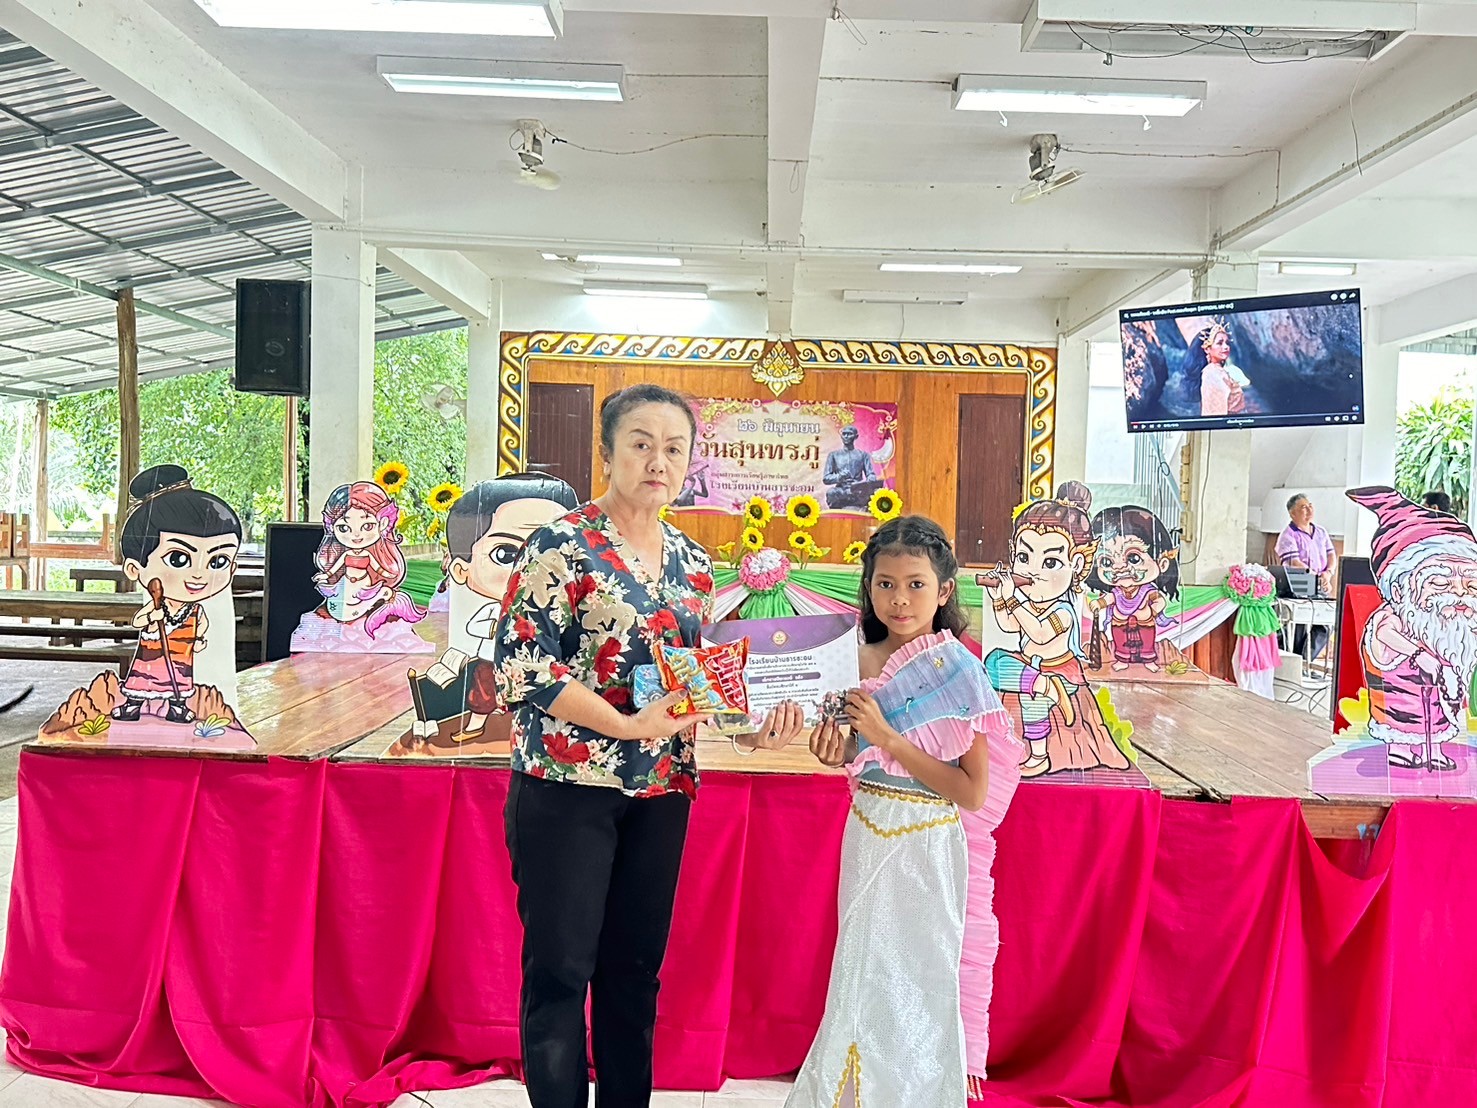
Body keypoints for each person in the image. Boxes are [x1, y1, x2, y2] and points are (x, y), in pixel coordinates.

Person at [494, 383, 805, 1108]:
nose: (657, 461)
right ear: (607, 452)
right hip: (566, 788)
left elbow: (698, 684)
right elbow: (523, 664)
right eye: (640, 443)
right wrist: (627, 725)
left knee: (634, 974)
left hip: (662, 789)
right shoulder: (560, 544)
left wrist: (752, 729)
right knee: (561, 973)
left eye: (673, 448)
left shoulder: (694, 564)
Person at [783, 516, 1021, 1108]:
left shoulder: (959, 671)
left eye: (916, 584)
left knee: (919, 981)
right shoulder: (851, 661)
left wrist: (888, 737)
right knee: (859, 973)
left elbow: (970, 792)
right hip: (867, 832)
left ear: (944, 591)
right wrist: (832, 748)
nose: (900, 599)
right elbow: (849, 753)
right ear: (868, 589)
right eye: (885, 584)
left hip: (929, 847)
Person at [409, 474, 579, 744]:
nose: (530, 566)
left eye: (552, 550)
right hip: (493, 660)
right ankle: (477, 723)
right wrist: (502, 628)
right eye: (506, 554)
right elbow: (475, 626)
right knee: (483, 693)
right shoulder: (494, 611)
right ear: (461, 570)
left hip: (552, 675)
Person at [982, 482, 1131, 778]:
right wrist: (1000, 598)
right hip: (1032, 669)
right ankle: (1041, 684)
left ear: (1076, 564)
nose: (1033, 570)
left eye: (1050, 562)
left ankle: (1039, 755)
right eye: (1024, 558)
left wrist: (1013, 599)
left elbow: (1038, 633)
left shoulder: (1063, 612)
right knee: (993, 662)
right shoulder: (1029, 603)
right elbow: (1010, 625)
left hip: (1060, 670)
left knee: (1032, 702)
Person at [1348, 487, 1477, 771]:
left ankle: (1434, 749)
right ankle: (1401, 748)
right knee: (1404, 721)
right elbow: (1384, 634)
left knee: (1439, 718)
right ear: (1399, 588)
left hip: (1440, 701)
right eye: (1440, 583)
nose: (1458, 593)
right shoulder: (1396, 617)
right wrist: (1420, 656)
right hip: (1400, 703)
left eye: (1470, 584)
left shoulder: (1459, 623)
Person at [113, 465, 242, 724]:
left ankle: (177, 708)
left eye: (218, 561)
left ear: (232, 568)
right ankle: (134, 705)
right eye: (178, 558)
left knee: (180, 683)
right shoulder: (156, 604)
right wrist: (152, 617)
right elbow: (139, 620)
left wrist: (200, 639)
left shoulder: (197, 610)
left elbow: (201, 626)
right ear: (134, 568)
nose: (199, 575)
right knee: (143, 682)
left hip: (182, 656)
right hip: (152, 655)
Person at [311, 480, 426, 637]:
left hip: (365, 585)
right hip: (345, 586)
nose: (356, 535)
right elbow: (334, 568)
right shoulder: (344, 555)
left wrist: (387, 574)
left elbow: (378, 568)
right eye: (343, 528)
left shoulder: (370, 555)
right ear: (332, 528)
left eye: (367, 526)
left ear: (383, 523)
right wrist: (326, 575)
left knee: (364, 604)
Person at [1086, 504, 1180, 672]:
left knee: (1147, 642)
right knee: (1120, 641)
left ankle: (1148, 659)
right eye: (1106, 562)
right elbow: (1109, 599)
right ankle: (1122, 659)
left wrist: (1154, 610)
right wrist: (1099, 604)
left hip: (1145, 623)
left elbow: (1159, 601)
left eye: (1133, 558)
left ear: (1162, 563)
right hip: (1119, 622)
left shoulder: (1147, 591)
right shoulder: (1117, 592)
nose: (1119, 568)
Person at [1275, 493, 1335, 658]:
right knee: (1298, 628)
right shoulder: (1287, 535)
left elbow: (1331, 555)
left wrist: (1328, 573)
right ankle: (1295, 663)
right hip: (1299, 586)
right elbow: (1294, 562)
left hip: (1321, 585)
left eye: (1310, 506)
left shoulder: (1321, 532)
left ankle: (1305, 659)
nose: (1309, 510)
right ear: (1292, 513)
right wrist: (1316, 576)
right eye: (1303, 507)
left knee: (1326, 624)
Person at [1187, 320, 1250, 417]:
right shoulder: (1212, 374)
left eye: (1227, 343)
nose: (1226, 347)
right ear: (1207, 349)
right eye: (1220, 343)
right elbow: (1215, 415)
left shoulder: (1217, 371)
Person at [821, 425, 876, 509]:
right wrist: (839, 476)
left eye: (849, 434)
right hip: (841, 490)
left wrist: (870, 479)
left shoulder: (863, 455)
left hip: (858, 490)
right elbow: (826, 478)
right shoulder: (833, 455)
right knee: (831, 493)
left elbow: (870, 474)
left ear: (856, 436)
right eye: (844, 434)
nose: (846, 436)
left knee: (872, 493)